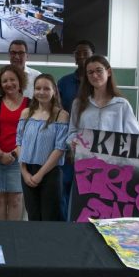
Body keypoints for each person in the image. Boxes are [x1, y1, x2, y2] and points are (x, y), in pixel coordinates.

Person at [16, 74, 69, 221]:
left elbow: (59, 148)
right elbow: (19, 142)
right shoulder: (26, 113)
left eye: (46, 88)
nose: (41, 92)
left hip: (49, 172)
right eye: (38, 88)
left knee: (49, 217)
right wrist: (24, 171)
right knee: (33, 216)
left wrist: (40, 174)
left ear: (54, 91)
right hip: (28, 171)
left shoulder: (61, 115)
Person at [0, 65, 28, 221]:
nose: (9, 84)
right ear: (0, 85)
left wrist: (14, 153)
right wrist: (0, 154)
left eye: (12, 79)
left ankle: (12, 233)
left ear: (20, 81)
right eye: (4, 81)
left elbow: (31, 134)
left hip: (19, 159)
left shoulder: (30, 104)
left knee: (16, 199)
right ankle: (0, 233)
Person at [56, 40, 94, 220]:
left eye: (85, 53)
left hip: (94, 149)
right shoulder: (64, 82)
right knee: (64, 186)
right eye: (78, 53)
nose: (81, 56)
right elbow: (58, 112)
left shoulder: (97, 82)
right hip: (68, 144)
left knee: (88, 190)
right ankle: (65, 225)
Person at [68, 55, 139, 138]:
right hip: (84, 147)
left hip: (113, 147)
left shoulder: (122, 105)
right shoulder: (78, 103)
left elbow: (134, 137)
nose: (95, 75)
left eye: (99, 70)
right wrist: (73, 140)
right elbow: (72, 132)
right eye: (90, 72)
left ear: (108, 72)